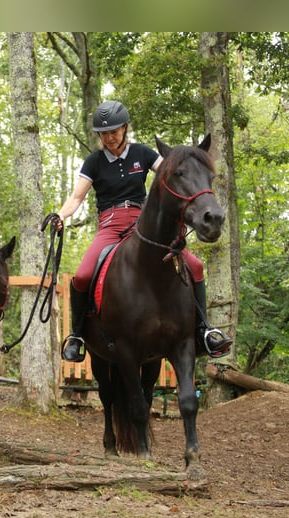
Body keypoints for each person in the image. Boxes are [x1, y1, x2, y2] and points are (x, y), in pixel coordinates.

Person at [55, 100, 232, 363]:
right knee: (81, 276)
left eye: (114, 130)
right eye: (104, 133)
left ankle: (204, 330)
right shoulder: (93, 162)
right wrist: (61, 214)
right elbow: (76, 197)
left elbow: (177, 174)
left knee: (194, 266)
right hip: (110, 225)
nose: (109, 137)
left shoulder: (143, 154)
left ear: (125, 128)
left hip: (142, 225)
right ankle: (78, 336)